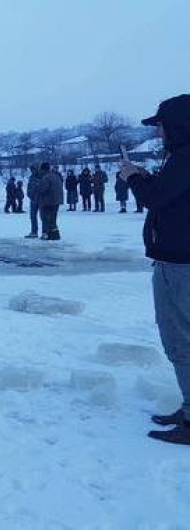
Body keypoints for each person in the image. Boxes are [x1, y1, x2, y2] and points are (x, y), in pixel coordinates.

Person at [120, 94, 190, 445]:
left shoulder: (185, 158)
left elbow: (157, 198)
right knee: (181, 340)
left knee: (181, 340)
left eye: (161, 125)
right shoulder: (179, 159)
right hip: (178, 261)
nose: (159, 132)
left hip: (181, 266)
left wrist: (134, 178)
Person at [36, 162, 63, 240]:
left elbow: (43, 189)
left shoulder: (46, 177)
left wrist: (38, 187)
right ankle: (55, 235)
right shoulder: (56, 176)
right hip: (56, 200)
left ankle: (46, 234)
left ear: (43, 169)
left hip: (48, 201)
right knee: (53, 218)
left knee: (45, 218)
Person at [25, 165, 42, 238]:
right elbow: (29, 187)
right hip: (33, 199)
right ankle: (34, 232)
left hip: (41, 199)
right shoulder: (31, 177)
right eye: (31, 170)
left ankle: (45, 232)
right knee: (32, 216)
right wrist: (29, 194)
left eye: (33, 169)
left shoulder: (41, 176)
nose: (32, 171)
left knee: (43, 216)